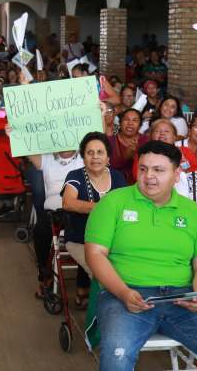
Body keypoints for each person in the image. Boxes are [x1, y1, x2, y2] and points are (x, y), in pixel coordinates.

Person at [85, 141, 197, 370]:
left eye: (158, 170)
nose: (149, 176)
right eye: (143, 169)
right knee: (118, 352)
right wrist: (123, 292)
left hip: (183, 296)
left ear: (176, 174)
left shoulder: (192, 211)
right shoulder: (113, 202)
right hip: (125, 293)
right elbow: (95, 254)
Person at [61, 132, 126, 308]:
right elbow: (68, 203)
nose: (95, 157)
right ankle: (104, 315)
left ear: (108, 157)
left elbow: (126, 208)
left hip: (114, 241)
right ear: (83, 157)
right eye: (90, 152)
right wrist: (103, 208)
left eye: (100, 152)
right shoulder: (75, 176)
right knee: (103, 277)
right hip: (80, 240)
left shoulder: (118, 177)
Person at [26, 145, 84, 296]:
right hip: (53, 212)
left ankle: (83, 286)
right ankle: (45, 276)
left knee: (89, 234)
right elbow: (25, 146)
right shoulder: (47, 158)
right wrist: (13, 134)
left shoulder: (84, 157)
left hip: (78, 208)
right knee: (40, 230)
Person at [108, 109, 146, 184]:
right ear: (120, 123)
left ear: (140, 125)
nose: (130, 123)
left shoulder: (146, 140)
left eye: (135, 120)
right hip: (115, 184)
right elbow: (107, 167)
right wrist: (125, 156)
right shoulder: (109, 141)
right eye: (126, 119)